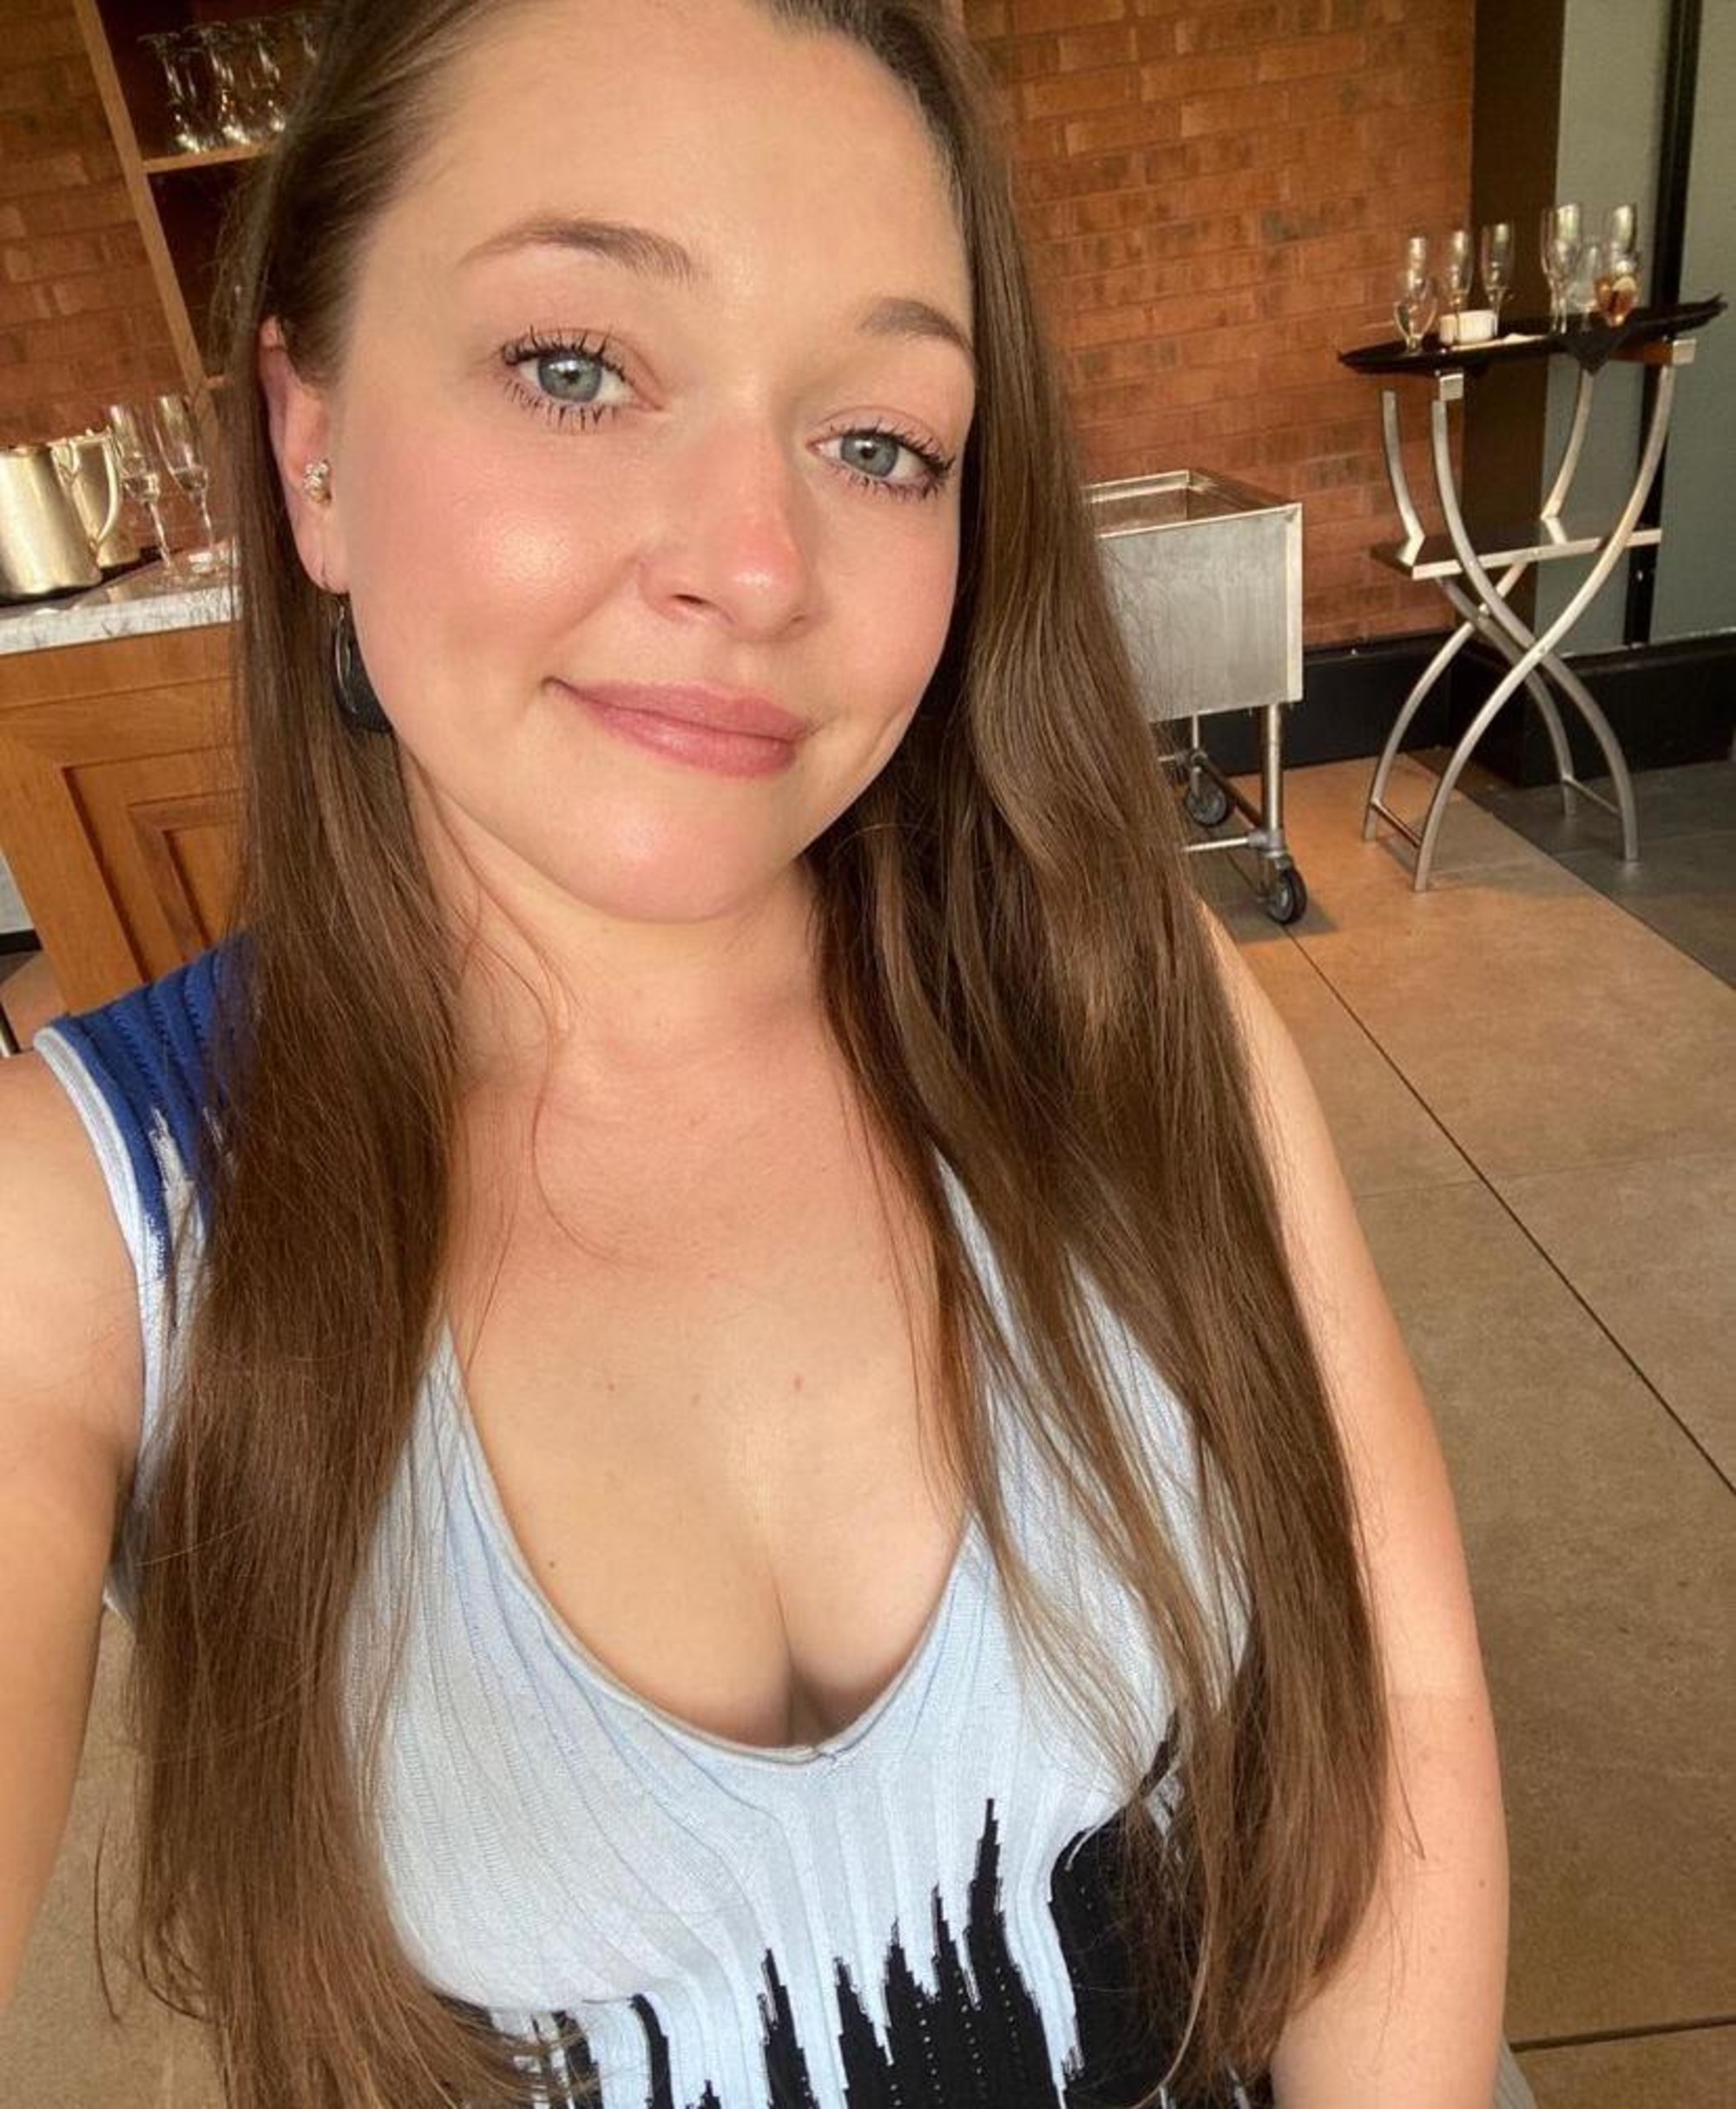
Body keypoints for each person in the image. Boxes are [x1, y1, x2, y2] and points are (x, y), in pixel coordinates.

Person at [0, 3, 1521, 2105]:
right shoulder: (88, 1230)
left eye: (879, 441)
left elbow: (1396, 1709)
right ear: (312, 445)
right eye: (574, 366)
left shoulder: (1117, 1005)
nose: (754, 563)